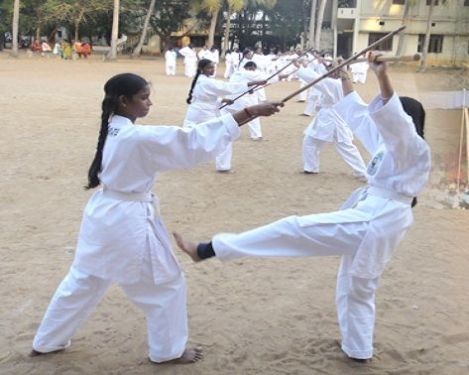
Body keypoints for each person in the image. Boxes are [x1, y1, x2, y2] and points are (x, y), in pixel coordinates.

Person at [172, 52, 432, 363]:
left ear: (407, 120)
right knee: (355, 285)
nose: (383, 119)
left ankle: (209, 249)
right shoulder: (386, 143)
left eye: (394, 115)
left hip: (378, 218)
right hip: (374, 214)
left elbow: (394, 121)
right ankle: (358, 348)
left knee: (295, 230)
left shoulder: (413, 148)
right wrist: (345, 75)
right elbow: (357, 112)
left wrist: (382, 74)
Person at [29, 72, 282, 364]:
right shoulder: (135, 137)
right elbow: (190, 142)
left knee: (84, 280)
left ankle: (47, 341)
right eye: (144, 98)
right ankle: (168, 351)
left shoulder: (114, 127)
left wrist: (245, 114)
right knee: (166, 285)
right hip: (125, 221)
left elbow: (186, 139)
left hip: (103, 216)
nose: (150, 103)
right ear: (124, 102)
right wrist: (248, 112)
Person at [184, 59, 266, 172]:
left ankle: (181, 158)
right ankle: (223, 166)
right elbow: (226, 87)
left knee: (187, 136)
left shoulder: (201, 79)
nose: (212, 70)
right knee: (224, 135)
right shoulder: (206, 81)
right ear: (202, 69)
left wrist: (222, 100)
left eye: (213, 67)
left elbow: (205, 95)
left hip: (195, 111)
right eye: (209, 68)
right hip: (205, 112)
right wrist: (252, 83)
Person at [295, 56, 367, 180]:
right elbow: (316, 77)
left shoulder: (333, 83)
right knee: (310, 141)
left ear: (336, 72)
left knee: (345, 146)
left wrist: (300, 69)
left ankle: (362, 172)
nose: (327, 72)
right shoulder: (338, 82)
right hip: (328, 116)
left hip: (332, 117)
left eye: (330, 70)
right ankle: (311, 168)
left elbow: (314, 79)